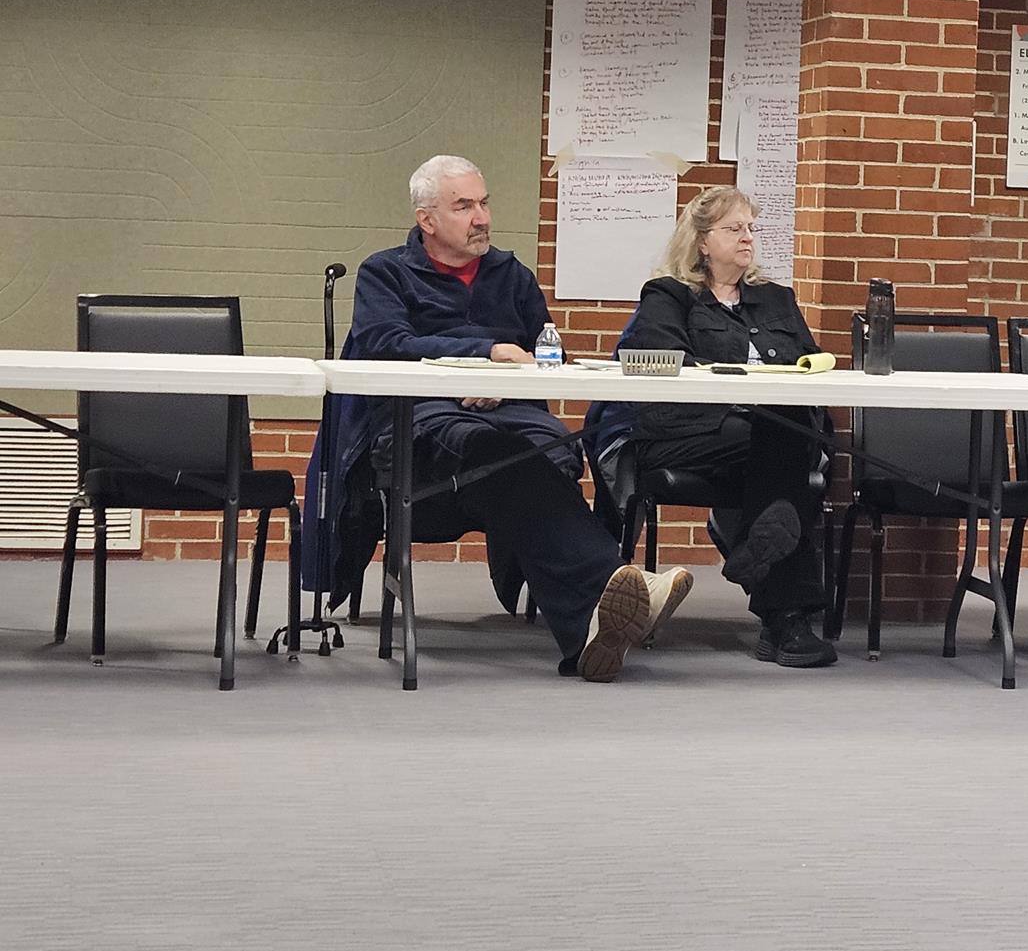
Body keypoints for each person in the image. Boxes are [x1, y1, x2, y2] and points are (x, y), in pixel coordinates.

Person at [336, 154, 691, 682]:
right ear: (427, 219)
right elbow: (386, 345)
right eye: (464, 206)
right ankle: (612, 581)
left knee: (545, 449)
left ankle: (592, 629)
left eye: (484, 202)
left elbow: (544, 350)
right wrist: (483, 357)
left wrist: (504, 382)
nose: (481, 217)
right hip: (422, 428)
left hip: (511, 413)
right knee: (502, 455)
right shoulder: (384, 273)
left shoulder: (512, 274)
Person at [592, 186, 836, 668]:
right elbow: (661, 365)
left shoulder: (776, 299)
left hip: (763, 437)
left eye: (751, 228)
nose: (748, 238)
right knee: (783, 443)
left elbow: (811, 365)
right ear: (702, 242)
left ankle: (760, 566)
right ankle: (785, 617)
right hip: (685, 433)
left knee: (783, 433)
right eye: (734, 229)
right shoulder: (668, 296)